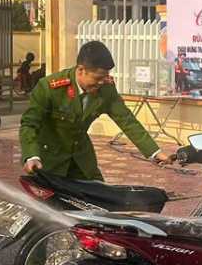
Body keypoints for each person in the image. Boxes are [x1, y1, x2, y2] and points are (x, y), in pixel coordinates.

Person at [20, 40, 172, 180]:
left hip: (82, 161)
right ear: (81, 70)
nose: (101, 82)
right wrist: (31, 155)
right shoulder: (50, 87)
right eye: (97, 78)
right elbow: (29, 124)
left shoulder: (106, 89)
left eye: (105, 77)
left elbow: (127, 120)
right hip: (49, 161)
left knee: (98, 200)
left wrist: (155, 152)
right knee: (51, 206)